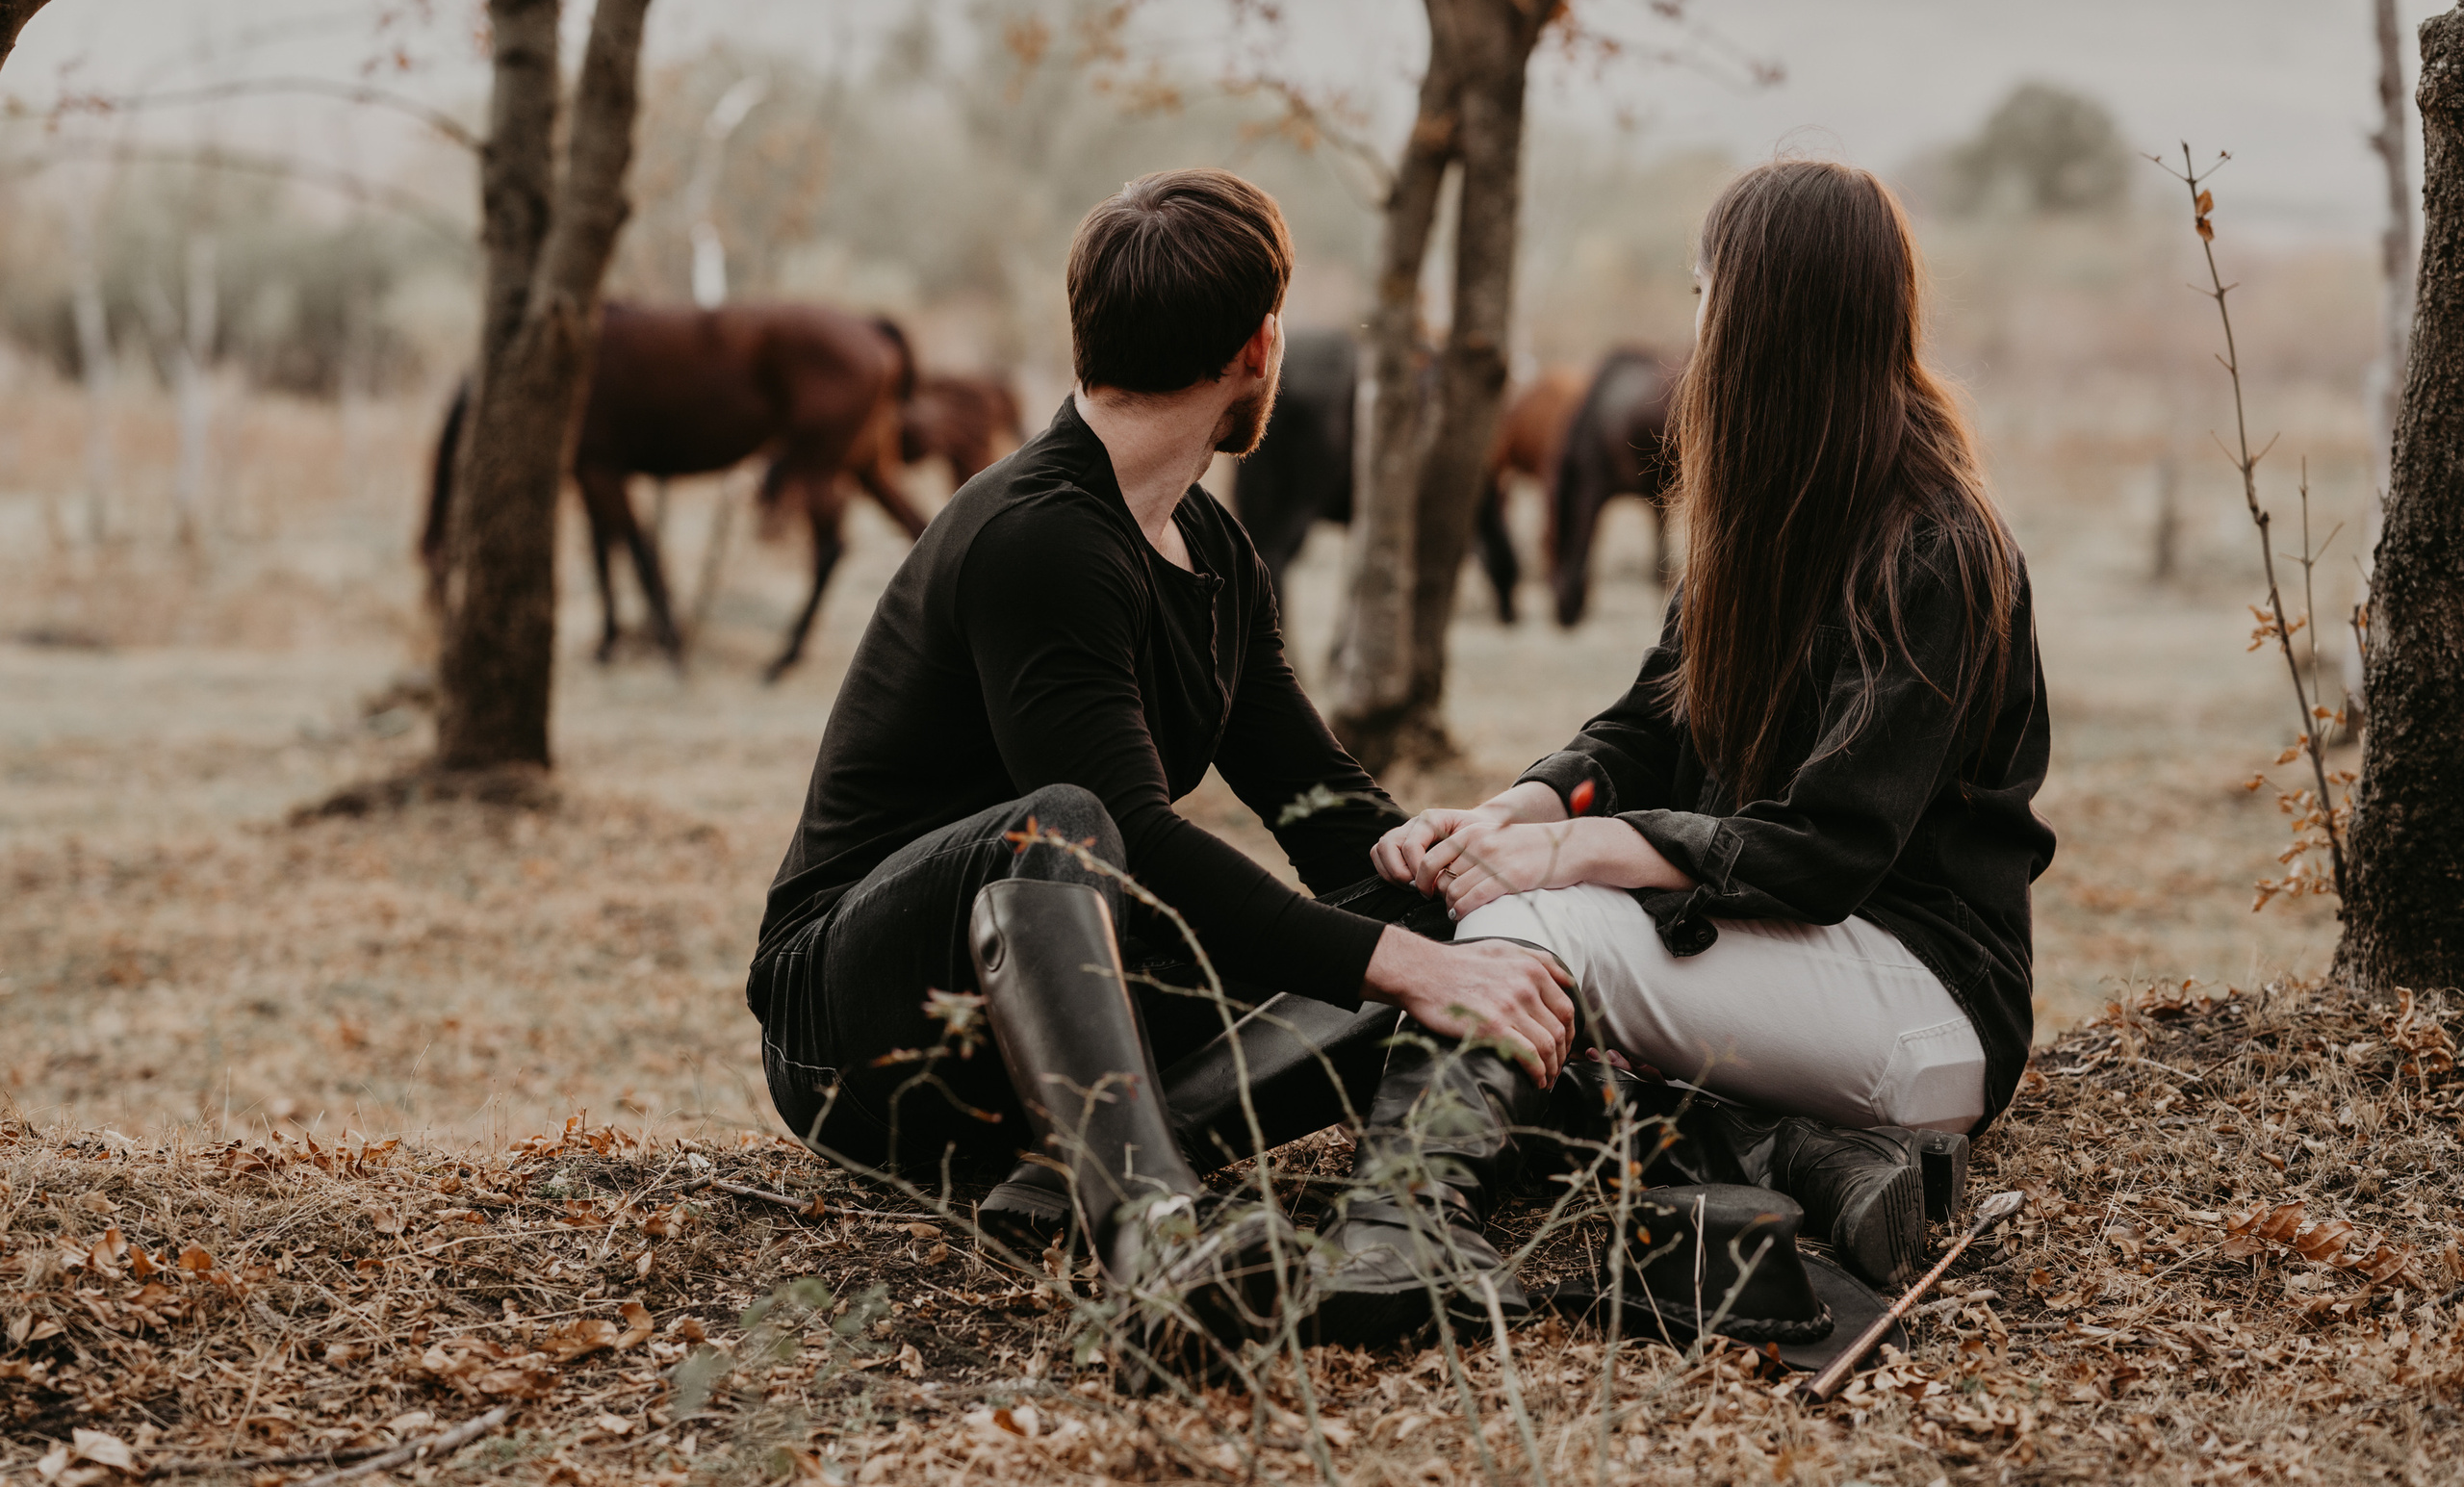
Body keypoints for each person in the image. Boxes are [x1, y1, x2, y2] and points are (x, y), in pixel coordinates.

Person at [745, 167, 1575, 1353]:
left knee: (1445, 922)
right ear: (1258, 346)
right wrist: (1406, 966)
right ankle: (1155, 1232)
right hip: (857, 1022)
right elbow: (1126, 839)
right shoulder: (1037, 536)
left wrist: (1453, 873)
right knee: (1066, 822)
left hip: (1071, 1011)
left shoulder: (1210, 545)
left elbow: (1314, 800)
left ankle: (1074, 1161)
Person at [1309, 159, 2054, 1332]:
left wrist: (1571, 857)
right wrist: (1510, 817)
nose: (1692, 327)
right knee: (1477, 920)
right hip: (1797, 968)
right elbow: (1646, 728)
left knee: (1532, 929)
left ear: (1763, 315)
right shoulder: (1769, 511)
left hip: (1928, 999)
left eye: (1704, 293)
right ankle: (1797, 1154)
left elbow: (1829, 848)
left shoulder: (1936, 546)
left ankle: (1402, 1228)